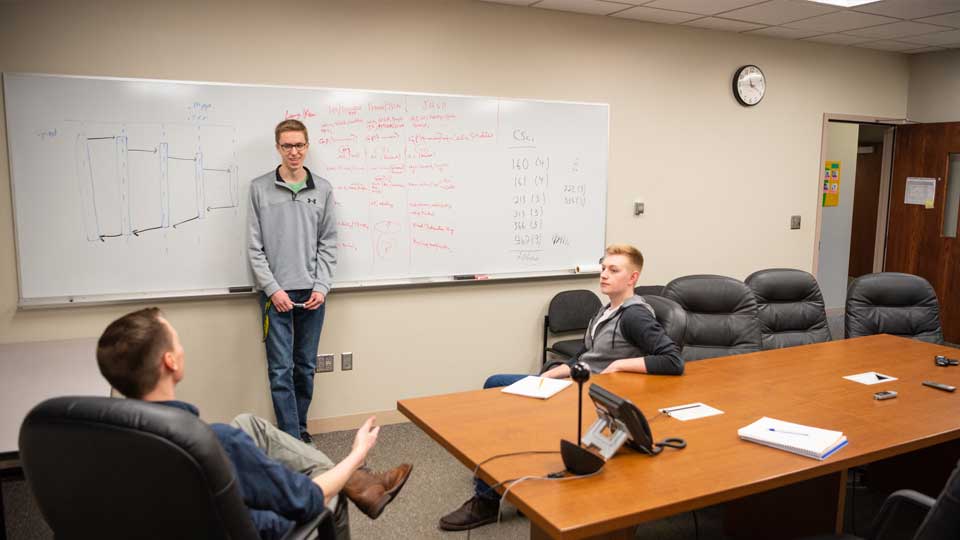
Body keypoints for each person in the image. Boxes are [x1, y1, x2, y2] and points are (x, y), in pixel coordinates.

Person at [96, 308, 412, 540]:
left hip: (177, 517)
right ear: (170, 361)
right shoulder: (213, 443)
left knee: (249, 424)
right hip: (253, 528)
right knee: (332, 494)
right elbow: (306, 500)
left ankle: (361, 483)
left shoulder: (106, 441)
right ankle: (356, 481)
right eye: (177, 342)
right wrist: (356, 454)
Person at [439, 243, 683, 531]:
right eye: (603, 267)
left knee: (507, 404)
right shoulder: (606, 309)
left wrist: (619, 366)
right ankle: (497, 478)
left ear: (633, 278)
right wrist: (557, 372)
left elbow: (672, 360)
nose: (604, 274)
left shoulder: (634, 315)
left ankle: (487, 500)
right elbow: (586, 355)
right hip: (575, 380)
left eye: (613, 270)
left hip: (590, 394)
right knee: (496, 384)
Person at [248, 119, 337, 443]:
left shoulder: (323, 189)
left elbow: (329, 243)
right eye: (287, 145)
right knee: (280, 371)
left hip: (313, 294)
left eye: (299, 145)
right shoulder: (259, 188)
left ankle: (298, 431)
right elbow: (254, 248)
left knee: (305, 367)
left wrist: (321, 287)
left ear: (307, 146)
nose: (294, 152)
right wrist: (274, 290)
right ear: (278, 148)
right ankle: (289, 438)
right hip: (276, 296)